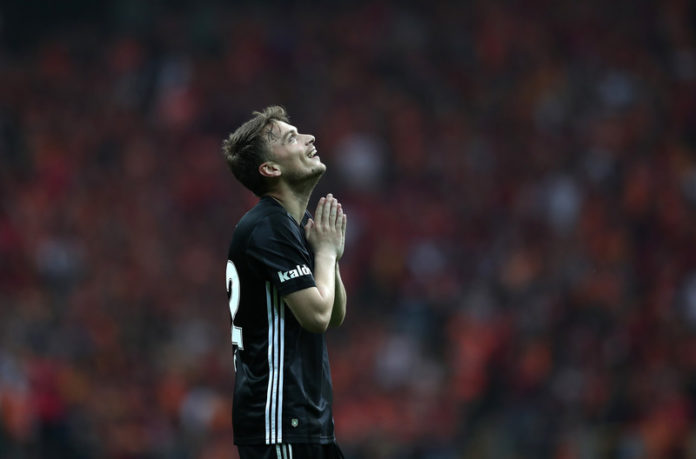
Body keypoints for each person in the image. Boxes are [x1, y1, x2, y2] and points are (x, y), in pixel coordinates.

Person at [221, 106, 347, 459]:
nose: (309, 138)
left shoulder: (292, 224)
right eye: (292, 138)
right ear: (271, 169)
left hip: (305, 422)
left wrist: (327, 253)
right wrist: (326, 253)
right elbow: (317, 316)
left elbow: (335, 314)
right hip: (278, 422)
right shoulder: (268, 227)